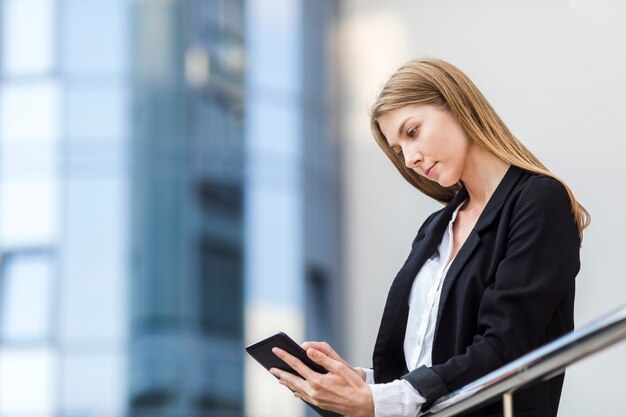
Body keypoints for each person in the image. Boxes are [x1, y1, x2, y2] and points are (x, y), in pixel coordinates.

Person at [269, 58, 589, 417]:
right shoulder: (436, 227)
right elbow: (427, 367)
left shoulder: (538, 200)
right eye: (398, 150)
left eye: (412, 132)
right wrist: (360, 384)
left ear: (454, 104)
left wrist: (380, 401)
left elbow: (505, 345)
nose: (410, 159)